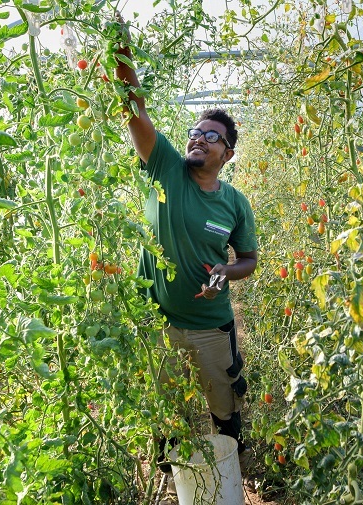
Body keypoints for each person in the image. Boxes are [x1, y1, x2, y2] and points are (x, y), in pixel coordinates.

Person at [114, 16, 258, 478]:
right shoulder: (167, 169)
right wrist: (121, 51)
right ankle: (173, 478)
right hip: (159, 322)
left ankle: (229, 471)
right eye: (196, 131)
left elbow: (249, 260)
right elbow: (133, 109)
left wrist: (225, 272)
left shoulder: (235, 202)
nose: (199, 137)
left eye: (211, 135)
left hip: (211, 328)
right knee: (167, 412)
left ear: (228, 154)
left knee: (224, 406)